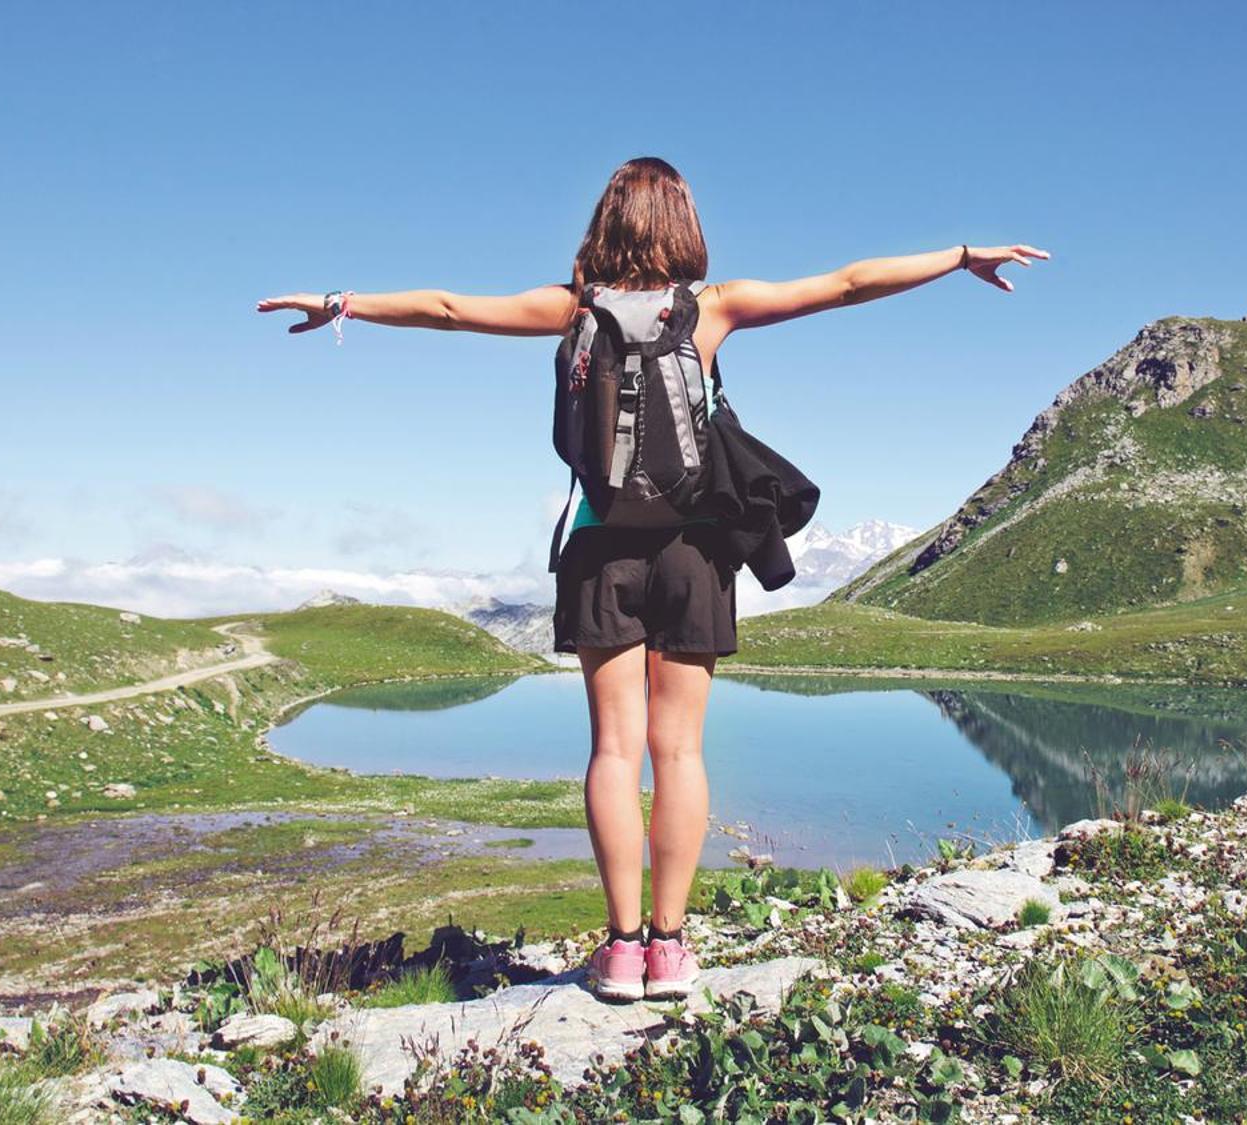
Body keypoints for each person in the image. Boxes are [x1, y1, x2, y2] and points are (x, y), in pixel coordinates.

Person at [258, 156, 1045, 1002]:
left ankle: (621, 948)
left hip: (601, 552)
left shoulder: (571, 312)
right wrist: (960, 256)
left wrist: (341, 304)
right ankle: (671, 948)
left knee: (613, 749)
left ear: (607, 222)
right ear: (682, 223)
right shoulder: (713, 310)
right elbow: (850, 283)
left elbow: (448, 310)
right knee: (679, 751)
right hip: (694, 550)